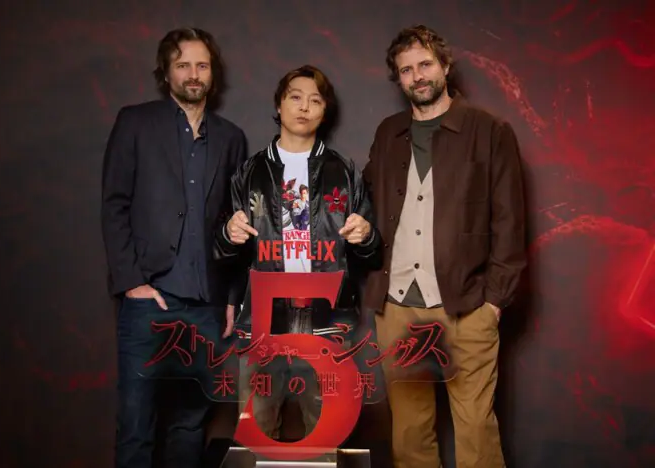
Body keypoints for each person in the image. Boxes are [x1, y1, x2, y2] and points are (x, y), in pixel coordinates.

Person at [362, 25, 527, 468]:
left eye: (425, 64)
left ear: (445, 65)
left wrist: (494, 302)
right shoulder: (388, 132)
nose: (417, 76)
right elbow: (366, 202)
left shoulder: (489, 130)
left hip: (467, 305)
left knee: (475, 432)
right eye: (406, 70)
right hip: (397, 306)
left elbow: (510, 223)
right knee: (409, 432)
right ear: (398, 78)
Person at [101, 27, 247, 468]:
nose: (193, 74)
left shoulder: (231, 138)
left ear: (213, 73)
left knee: (189, 427)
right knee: (136, 427)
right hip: (149, 302)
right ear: (166, 73)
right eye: (183, 65)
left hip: (206, 307)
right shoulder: (135, 122)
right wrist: (132, 283)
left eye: (202, 65)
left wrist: (231, 297)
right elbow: (114, 204)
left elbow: (236, 223)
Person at [213, 65, 382, 439]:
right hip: (262, 321)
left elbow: (371, 256)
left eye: (315, 100)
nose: (304, 107)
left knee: (326, 436)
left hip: (325, 321)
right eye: (295, 97)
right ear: (279, 104)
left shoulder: (344, 172)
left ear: (325, 110)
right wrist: (228, 235)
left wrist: (367, 235)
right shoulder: (250, 172)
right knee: (257, 435)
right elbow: (225, 254)